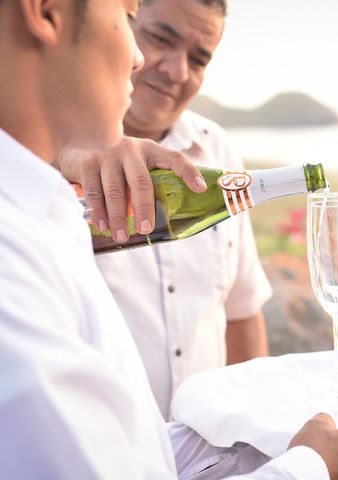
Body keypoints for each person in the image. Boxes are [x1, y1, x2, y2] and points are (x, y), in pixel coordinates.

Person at [0, 0, 338, 478]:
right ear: (46, 11)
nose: (139, 58)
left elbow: (140, 454)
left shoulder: (49, 216)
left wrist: (273, 443)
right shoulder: (18, 257)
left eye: (199, 57)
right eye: (127, 13)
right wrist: (310, 469)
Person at [91, 0, 270, 421]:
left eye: (199, 58)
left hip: (210, 453)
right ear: (122, 22)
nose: (178, 70)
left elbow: (242, 314)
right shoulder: (51, 155)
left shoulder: (220, 151)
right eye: (160, 38)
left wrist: (260, 437)